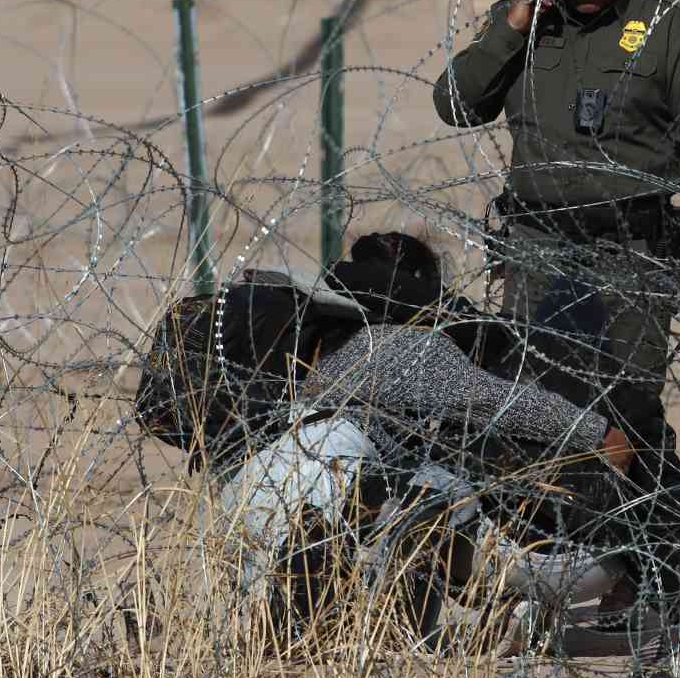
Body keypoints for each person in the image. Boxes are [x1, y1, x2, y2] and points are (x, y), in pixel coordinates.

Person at [431, 0, 680, 675]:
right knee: (545, 413)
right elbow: (456, 104)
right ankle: (580, 562)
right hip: (537, 248)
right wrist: (513, 22)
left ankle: (660, 566)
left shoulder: (666, 28)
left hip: (628, 249)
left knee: (628, 410)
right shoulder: (527, 20)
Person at [215, 232, 636, 649]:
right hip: (321, 492)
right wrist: (595, 433)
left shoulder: (324, 348)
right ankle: (406, 624)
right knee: (441, 488)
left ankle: (320, 617)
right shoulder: (405, 344)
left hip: (259, 498)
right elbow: (494, 401)